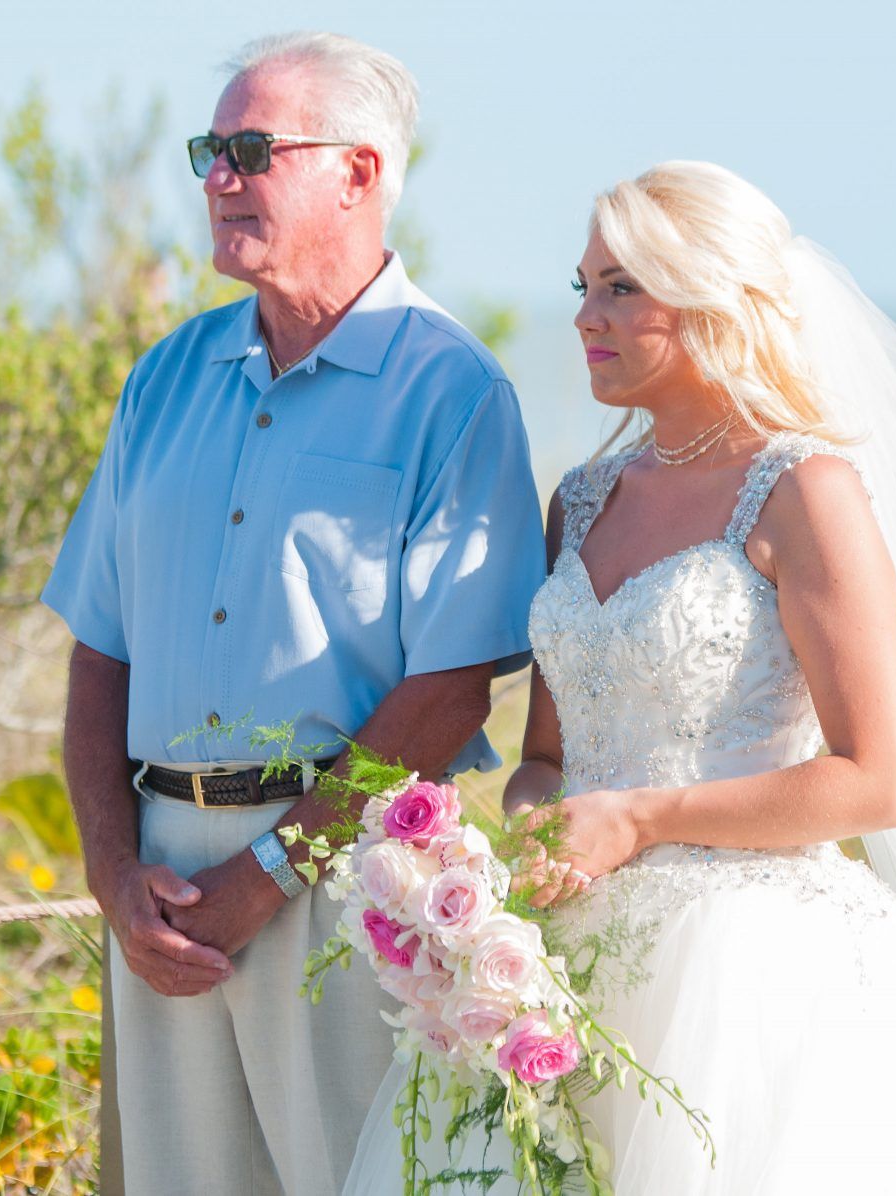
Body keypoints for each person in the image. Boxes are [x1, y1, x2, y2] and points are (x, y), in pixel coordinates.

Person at [345, 162, 896, 1193]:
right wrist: (539, 820)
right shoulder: (583, 498)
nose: (586, 316)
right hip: (564, 961)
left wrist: (639, 818)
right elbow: (547, 756)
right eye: (583, 286)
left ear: (713, 299)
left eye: (621, 288)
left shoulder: (805, 492)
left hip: (753, 971)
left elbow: (877, 778)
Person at [40, 32, 544, 1194]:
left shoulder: (453, 391)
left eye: (251, 148)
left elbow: (453, 686)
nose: (218, 176)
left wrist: (270, 873)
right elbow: (98, 650)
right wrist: (116, 877)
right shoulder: (163, 378)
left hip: (352, 886)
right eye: (211, 150)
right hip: (162, 901)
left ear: (358, 172)